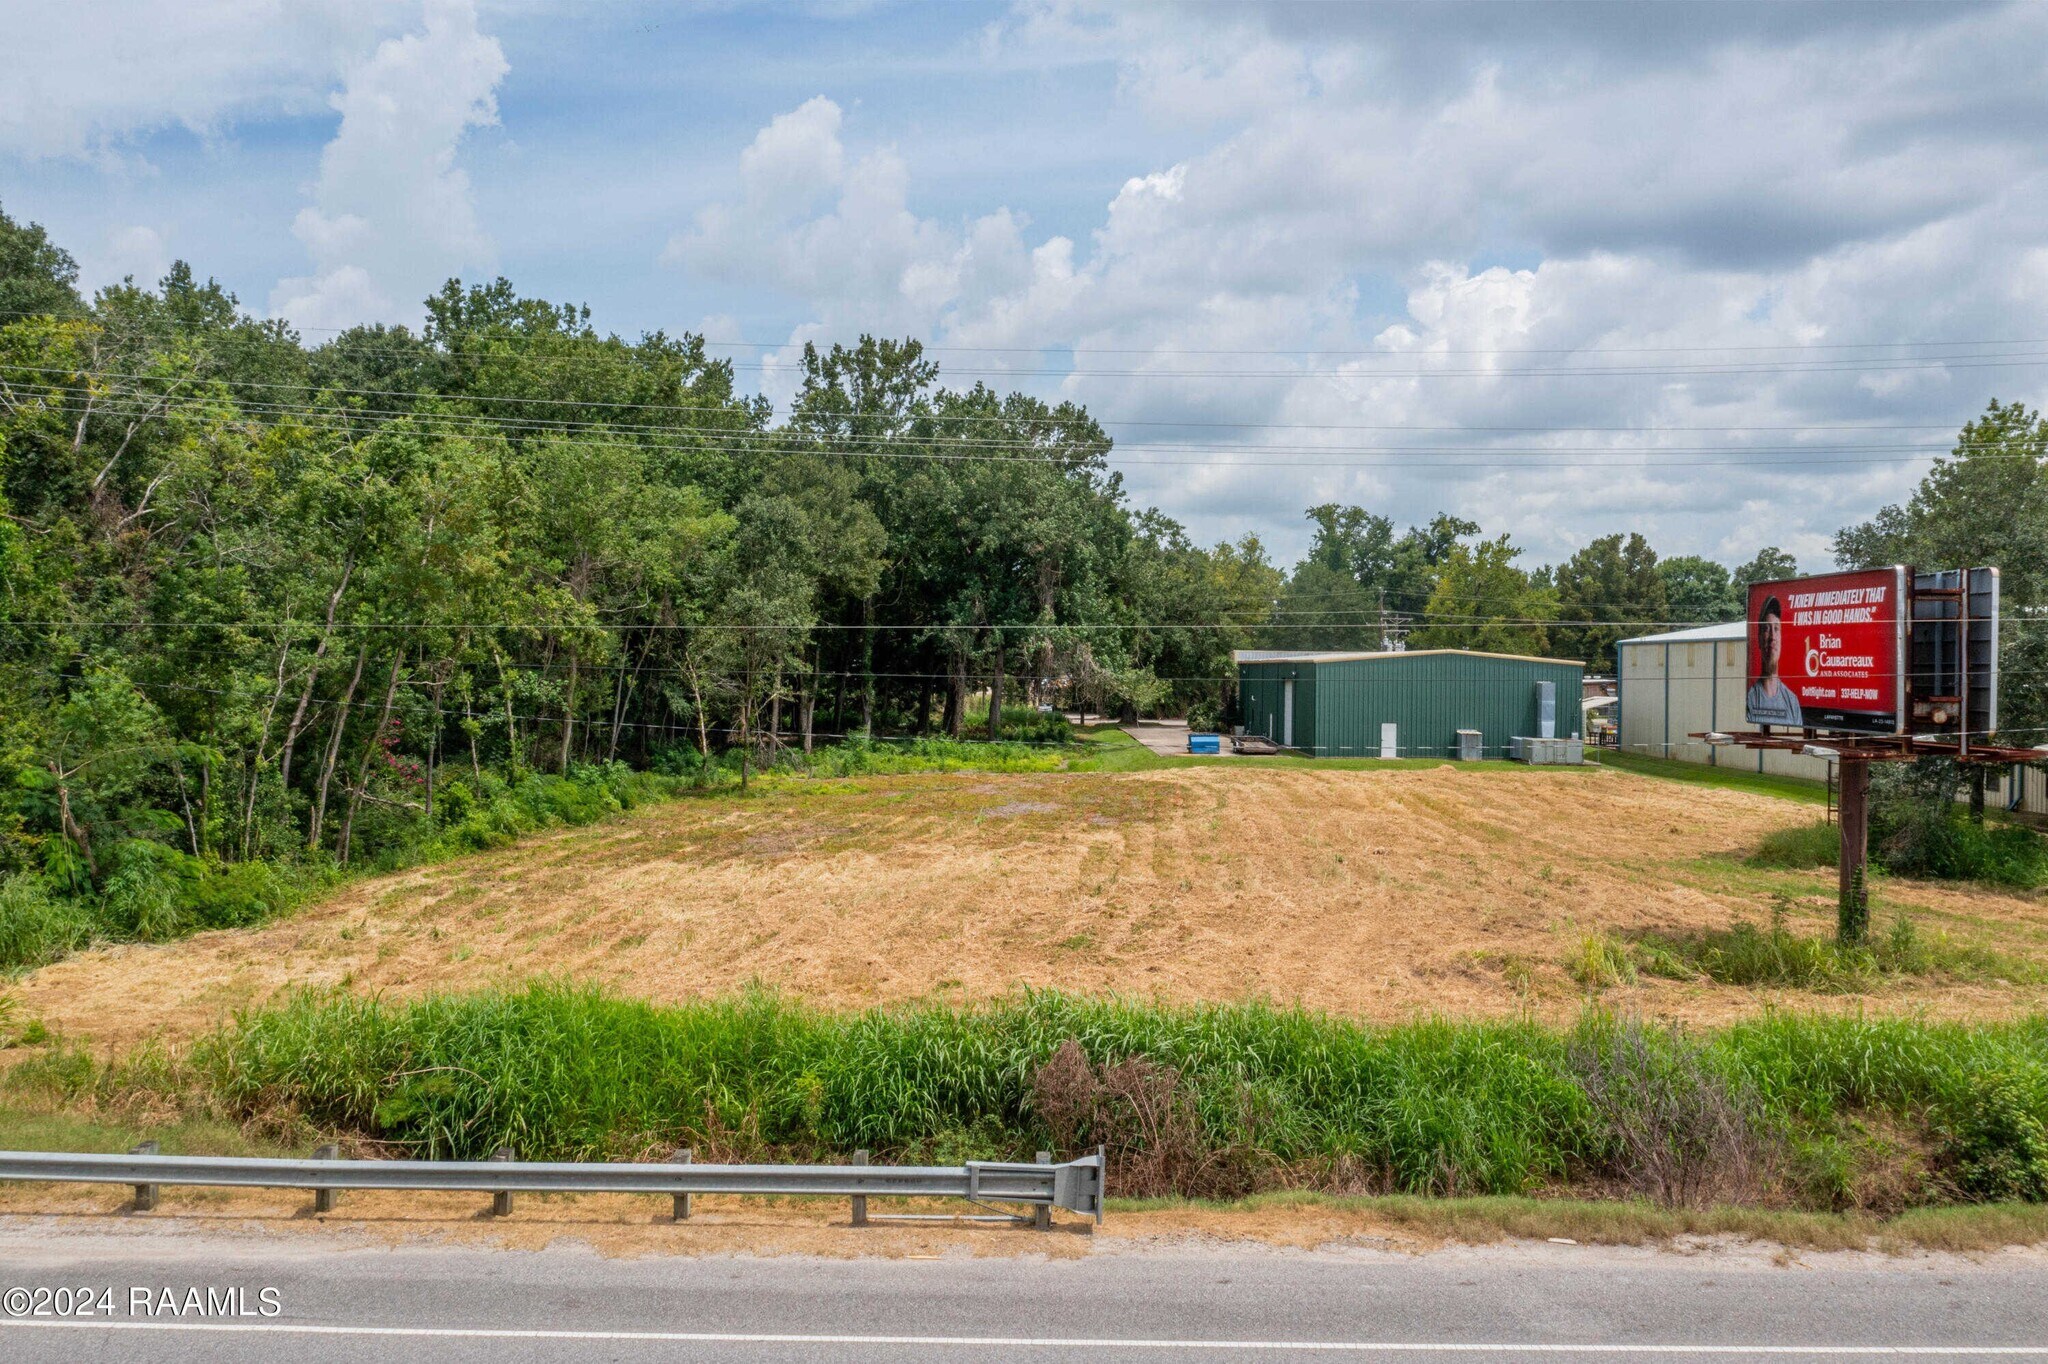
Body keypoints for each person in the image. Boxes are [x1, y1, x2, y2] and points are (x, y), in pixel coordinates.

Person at [1745, 595, 1804, 726]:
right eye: (1766, 629)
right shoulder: (1750, 698)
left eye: (1776, 629)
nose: (1772, 637)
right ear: (1759, 639)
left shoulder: (1792, 702)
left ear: (1781, 639)